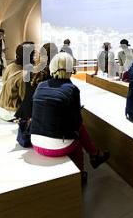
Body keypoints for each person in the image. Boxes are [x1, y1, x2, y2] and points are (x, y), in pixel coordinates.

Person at [30, 52, 110, 184]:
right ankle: (82, 171)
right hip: (57, 147)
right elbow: (76, 123)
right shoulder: (72, 89)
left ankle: (93, 156)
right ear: (71, 68)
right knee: (77, 136)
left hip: (36, 143)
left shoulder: (40, 85)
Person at [0, 42, 31, 121]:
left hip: (3, 108)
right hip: (12, 112)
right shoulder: (23, 75)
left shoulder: (10, 66)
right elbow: (25, 98)